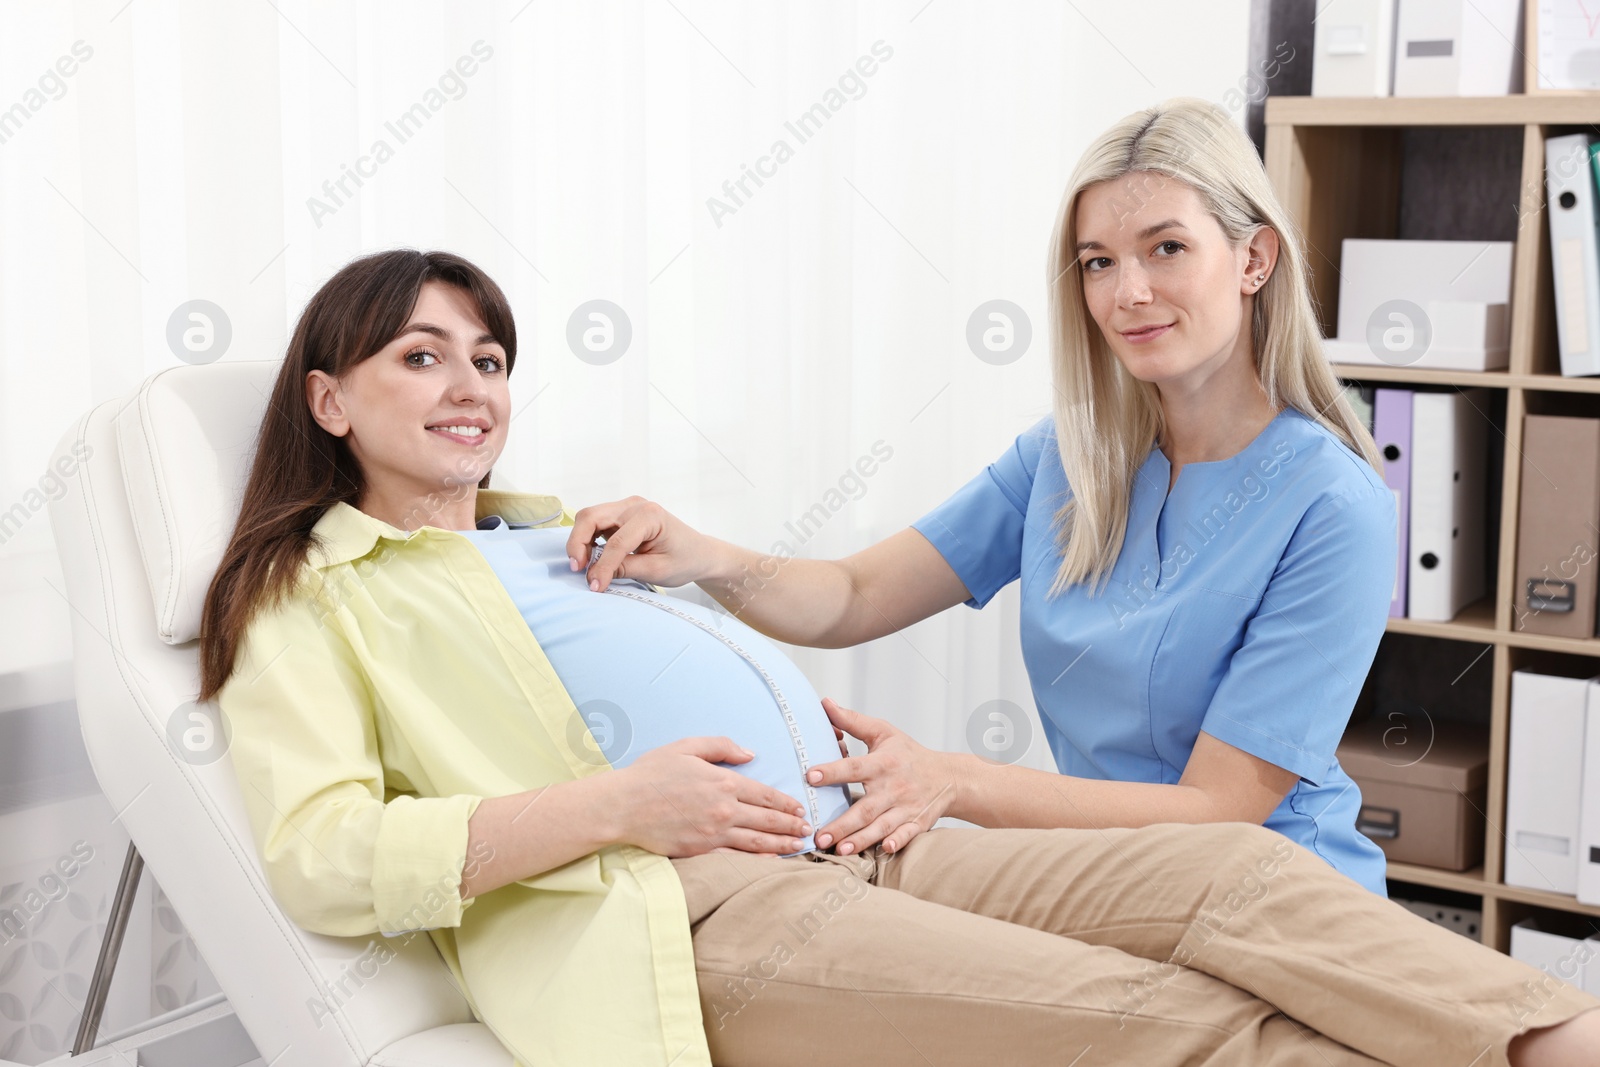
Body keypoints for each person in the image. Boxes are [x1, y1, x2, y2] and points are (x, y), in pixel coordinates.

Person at [200, 246, 1599, 1067]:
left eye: (491, 359)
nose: (470, 387)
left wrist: (715, 569)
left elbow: (829, 596)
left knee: (1242, 873)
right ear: (330, 397)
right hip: (693, 904)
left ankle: (1550, 1038)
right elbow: (326, 854)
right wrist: (624, 806)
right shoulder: (314, 595)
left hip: (874, 823)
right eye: (422, 358)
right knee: (1164, 1016)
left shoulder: (561, 532)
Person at [569, 96, 1399, 896]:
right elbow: (852, 597)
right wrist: (703, 554)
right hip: (1115, 879)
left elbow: (1222, 809)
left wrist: (952, 780)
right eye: (1099, 262)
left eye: (1167, 248)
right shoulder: (1067, 457)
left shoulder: (1333, 504)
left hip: (1279, 890)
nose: (1128, 293)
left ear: (1254, 259)